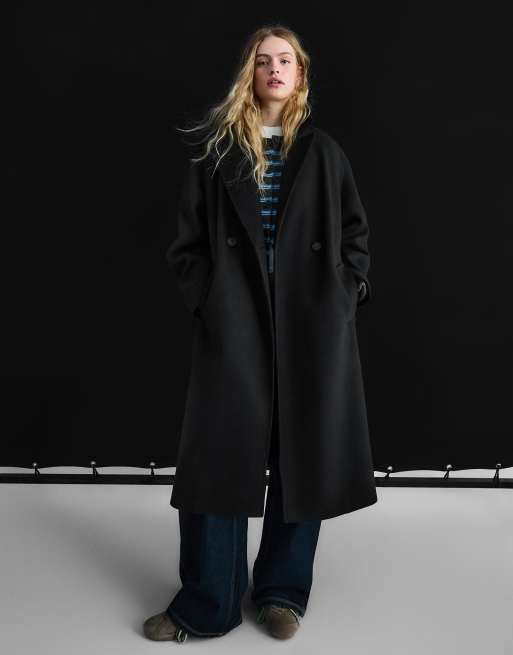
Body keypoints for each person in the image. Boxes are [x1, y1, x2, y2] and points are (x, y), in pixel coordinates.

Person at [144, 24, 376, 643]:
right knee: (218, 460)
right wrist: (210, 300)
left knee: (306, 458)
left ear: (300, 74)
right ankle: (207, 602)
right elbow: (187, 245)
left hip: (310, 321)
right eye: (263, 60)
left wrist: (345, 294)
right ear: (249, 73)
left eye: (286, 60)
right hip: (238, 317)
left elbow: (355, 237)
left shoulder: (324, 152)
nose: (275, 69)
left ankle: (281, 593)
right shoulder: (218, 152)